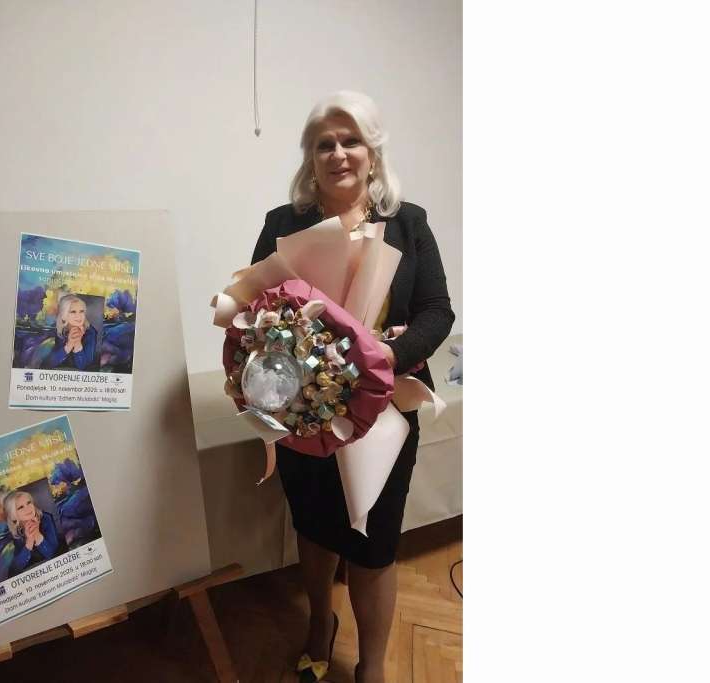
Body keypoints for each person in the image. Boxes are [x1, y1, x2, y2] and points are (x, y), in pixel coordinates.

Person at [250, 91, 454, 683]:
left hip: (384, 410)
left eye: (351, 141)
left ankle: (372, 667)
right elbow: (255, 307)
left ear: (372, 152)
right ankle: (320, 623)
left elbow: (437, 312)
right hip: (304, 411)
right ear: (310, 158)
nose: (338, 153)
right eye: (325, 144)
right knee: (315, 530)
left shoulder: (409, 222)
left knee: (374, 543)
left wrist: (389, 353)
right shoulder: (283, 224)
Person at [0, 489, 61, 576]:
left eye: (29, 503)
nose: (28, 508)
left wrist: (37, 534)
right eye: (21, 507)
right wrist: (29, 541)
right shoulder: (11, 532)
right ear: (13, 515)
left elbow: (54, 555)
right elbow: (15, 568)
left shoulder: (46, 518)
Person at [44, 293, 98, 370]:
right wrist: (69, 345)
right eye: (73, 312)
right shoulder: (54, 330)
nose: (79, 316)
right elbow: (48, 363)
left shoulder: (90, 332)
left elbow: (83, 366)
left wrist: (78, 343)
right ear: (63, 315)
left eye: (81, 311)